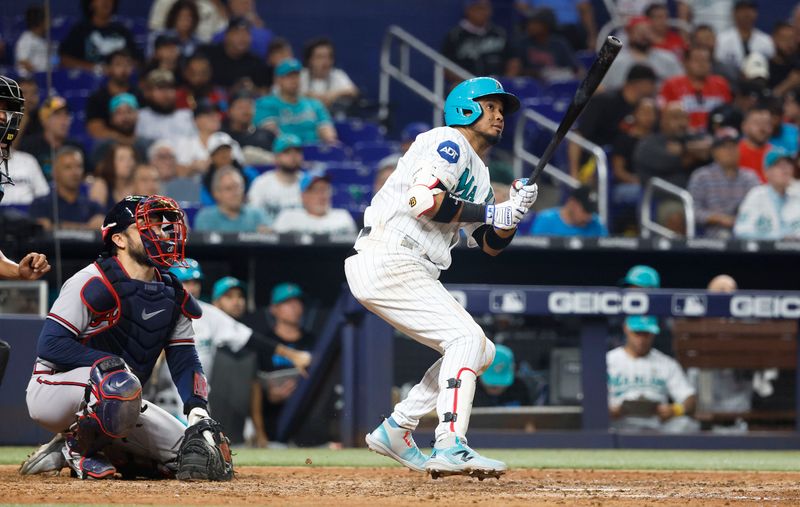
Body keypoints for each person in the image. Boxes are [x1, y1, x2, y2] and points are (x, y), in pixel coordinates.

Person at [344, 77, 538, 478]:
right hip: (390, 254)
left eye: (503, 109)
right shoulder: (445, 142)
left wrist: (513, 214)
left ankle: (398, 428)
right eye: (491, 106)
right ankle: (450, 443)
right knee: (465, 338)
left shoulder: (480, 173)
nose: (500, 114)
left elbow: (489, 244)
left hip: (410, 265)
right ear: (465, 108)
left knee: (478, 350)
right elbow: (422, 201)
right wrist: (493, 212)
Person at [17, 195, 224, 480]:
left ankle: (96, 448)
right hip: (53, 389)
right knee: (118, 380)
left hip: (123, 397)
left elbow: (185, 358)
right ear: (119, 239)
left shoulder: (173, 294)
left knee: (192, 453)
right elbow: (50, 345)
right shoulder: (91, 280)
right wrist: (111, 365)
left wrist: (198, 410)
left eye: (162, 225)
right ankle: (78, 449)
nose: (161, 232)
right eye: (147, 226)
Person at [151, 261, 311, 436]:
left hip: (192, 401)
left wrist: (292, 355)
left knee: (200, 444)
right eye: (187, 282)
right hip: (156, 400)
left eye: (196, 282)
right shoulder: (155, 310)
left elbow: (250, 339)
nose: (193, 287)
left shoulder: (206, 313)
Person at [248, 283, 316, 445]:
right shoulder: (265, 343)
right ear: (274, 309)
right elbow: (253, 386)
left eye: (297, 302)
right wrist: (269, 395)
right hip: (274, 423)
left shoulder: (313, 341)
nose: (294, 307)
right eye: (287, 302)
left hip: (308, 425)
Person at [607, 316, 699, 433]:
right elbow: (593, 399)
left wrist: (674, 410)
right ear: (626, 329)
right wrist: (608, 410)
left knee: (687, 425)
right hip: (620, 422)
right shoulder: (609, 360)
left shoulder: (666, 362)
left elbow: (689, 398)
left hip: (656, 424)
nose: (641, 339)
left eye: (646, 334)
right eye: (637, 333)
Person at [568, 64, 657, 181]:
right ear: (641, 84)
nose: (655, 88)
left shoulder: (641, 108)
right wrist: (573, 174)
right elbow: (578, 136)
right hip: (593, 162)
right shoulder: (603, 101)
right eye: (652, 84)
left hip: (623, 166)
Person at [688, 128, 760, 238]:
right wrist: (719, 218)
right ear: (714, 152)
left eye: (734, 146)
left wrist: (740, 220)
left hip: (746, 235)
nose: (730, 151)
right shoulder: (701, 176)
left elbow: (760, 207)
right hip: (709, 237)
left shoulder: (750, 177)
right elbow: (691, 211)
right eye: (724, 147)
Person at [254, 58, 337, 145]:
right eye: (289, 76)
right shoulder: (265, 104)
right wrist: (294, 150)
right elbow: (271, 133)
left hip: (313, 152)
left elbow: (327, 132)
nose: (294, 80)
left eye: (296, 75)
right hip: (283, 152)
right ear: (277, 80)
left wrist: (330, 143)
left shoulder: (314, 104)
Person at [634, 102, 711, 189]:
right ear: (663, 121)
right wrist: (695, 153)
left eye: (685, 117)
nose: (682, 122)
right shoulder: (648, 144)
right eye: (676, 118)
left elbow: (711, 147)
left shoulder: (690, 137)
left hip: (698, 195)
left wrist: (684, 148)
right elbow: (680, 162)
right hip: (663, 197)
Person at [29, 147, 105, 231]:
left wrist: (55, 226)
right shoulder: (40, 204)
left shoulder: (93, 207)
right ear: (55, 172)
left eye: (79, 166)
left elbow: (102, 227)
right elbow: (42, 228)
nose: (75, 172)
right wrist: (88, 227)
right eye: (68, 167)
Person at [659, 46, 732, 133]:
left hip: (716, 135)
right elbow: (665, 116)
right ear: (686, 63)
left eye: (706, 60)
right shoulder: (671, 84)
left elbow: (728, 112)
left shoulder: (721, 84)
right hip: (683, 134)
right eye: (697, 60)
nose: (702, 64)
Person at [600, 16, 683, 91]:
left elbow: (681, 85)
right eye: (639, 32)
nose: (643, 36)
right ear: (630, 34)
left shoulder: (668, 58)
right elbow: (601, 88)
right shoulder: (615, 62)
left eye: (647, 31)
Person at [441, 0, 519, 79]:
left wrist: (506, 81)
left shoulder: (499, 33)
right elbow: (446, 67)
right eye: (480, 8)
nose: (485, 12)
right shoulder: (455, 35)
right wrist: (466, 83)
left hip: (497, 84)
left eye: (487, 8)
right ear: (469, 10)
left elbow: (513, 60)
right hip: (468, 85)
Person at [734, 147, 800, 239]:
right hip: (765, 252)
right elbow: (742, 231)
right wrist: (778, 238)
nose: (785, 169)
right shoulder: (756, 195)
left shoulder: (797, 194)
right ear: (767, 172)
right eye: (779, 165)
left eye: (788, 164)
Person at [58, 0, 141, 72]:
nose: (106, 1)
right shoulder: (80, 30)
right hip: (89, 83)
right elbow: (65, 60)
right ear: (91, 3)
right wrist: (97, 68)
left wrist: (121, 68)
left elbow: (138, 61)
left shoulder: (122, 31)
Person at [272, 168, 357, 236]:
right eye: (316, 190)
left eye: (325, 190)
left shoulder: (342, 217)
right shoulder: (288, 218)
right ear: (303, 196)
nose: (322, 195)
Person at [18, 96, 82, 180]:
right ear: (44, 120)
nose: (64, 120)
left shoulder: (75, 148)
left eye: (66, 114)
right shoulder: (29, 147)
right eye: (58, 115)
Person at [85, 49, 141, 142]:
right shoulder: (97, 98)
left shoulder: (138, 94)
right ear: (108, 68)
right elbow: (95, 130)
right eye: (118, 64)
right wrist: (123, 139)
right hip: (109, 145)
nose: (124, 69)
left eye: (127, 64)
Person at [200, 16, 270, 90]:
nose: (242, 38)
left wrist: (253, 89)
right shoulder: (208, 54)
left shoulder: (256, 62)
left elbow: (264, 90)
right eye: (237, 33)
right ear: (227, 36)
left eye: (246, 33)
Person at [247, 133, 303, 224]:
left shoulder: (309, 183)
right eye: (287, 152)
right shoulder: (261, 183)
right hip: (269, 235)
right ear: (276, 157)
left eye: (297, 152)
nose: (293, 156)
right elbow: (253, 217)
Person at [194, 166, 269, 232]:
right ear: (216, 193)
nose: (235, 193)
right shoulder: (206, 218)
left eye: (238, 187)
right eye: (228, 188)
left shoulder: (257, 215)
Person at [135, 70, 197, 147]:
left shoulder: (187, 116)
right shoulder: (139, 117)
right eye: (161, 88)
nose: (166, 93)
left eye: (170, 88)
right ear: (148, 92)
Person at [517, 8, 580, 82]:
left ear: (546, 25)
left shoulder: (559, 43)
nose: (530, 26)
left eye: (534, 23)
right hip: (532, 86)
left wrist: (556, 73)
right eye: (529, 23)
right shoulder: (523, 43)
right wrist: (539, 73)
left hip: (556, 84)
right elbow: (518, 70)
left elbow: (575, 69)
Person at [300, 37, 359, 114]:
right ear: (310, 60)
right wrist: (309, 96)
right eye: (319, 57)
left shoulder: (338, 74)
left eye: (328, 57)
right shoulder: (301, 75)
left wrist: (333, 94)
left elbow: (354, 91)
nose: (325, 62)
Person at [715, 0, 774, 75]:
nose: (747, 14)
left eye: (750, 10)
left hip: (758, 83)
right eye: (743, 10)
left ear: (756, 14)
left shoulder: (766, 41)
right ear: (734, 13)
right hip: (731, 83)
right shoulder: (722, 40)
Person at [514, 0, 597, 51]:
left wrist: (592, 36)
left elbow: (584, 8)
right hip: (541, 29)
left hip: (570, 30)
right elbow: (522, 7)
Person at [529, 185, 608, 237]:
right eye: (585, 211)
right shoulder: (546, 220)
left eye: (590, 212)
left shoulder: (596, 223)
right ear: (572, 203)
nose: (588, 218)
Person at [174, 102, 222, 177]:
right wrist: (193, 167)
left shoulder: (225, 139)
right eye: (210, 115)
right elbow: (179, 174)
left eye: (216, 114)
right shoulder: (186, 143)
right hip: (193, 186)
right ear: (196, 120)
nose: (215, 118)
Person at [148, 0, 227, 44]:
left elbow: (224, 29)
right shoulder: (164, 2)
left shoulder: (209, 6)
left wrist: (218, 4)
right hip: (168, 47)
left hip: (200, 53)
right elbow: (154, 32)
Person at [222, 89, 275, 155]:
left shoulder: (267, 136)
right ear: (229, 111)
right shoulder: (222, 137)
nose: (245, 111)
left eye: (249, 106)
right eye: (240, 107)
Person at [89, 142, 138, 212]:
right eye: (121, 159)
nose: (128, 163)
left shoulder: (137, 185)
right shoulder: (101, 185)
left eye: (131, 158)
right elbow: (96, 218)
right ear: (111, 163)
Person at [738, 106, 774, 182]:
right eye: (756, 123)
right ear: (744, 126)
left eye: (766, 123)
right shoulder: (735, 153)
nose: (762, 128)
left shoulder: (777, 154)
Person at [14, 5, 48, 78]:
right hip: (31, 79)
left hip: (44, 78)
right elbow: (22, 62)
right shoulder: (26, 39)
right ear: (41, 22)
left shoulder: (41, 40)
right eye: (46, 19)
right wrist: (38, 74)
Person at [768, 22, 800, 98]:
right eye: (785, 39)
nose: (789, 44)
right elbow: (765, 97)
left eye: (792, 40)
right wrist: (789, 84)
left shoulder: (797, 66)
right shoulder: (764, 66)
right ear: (773, 39)